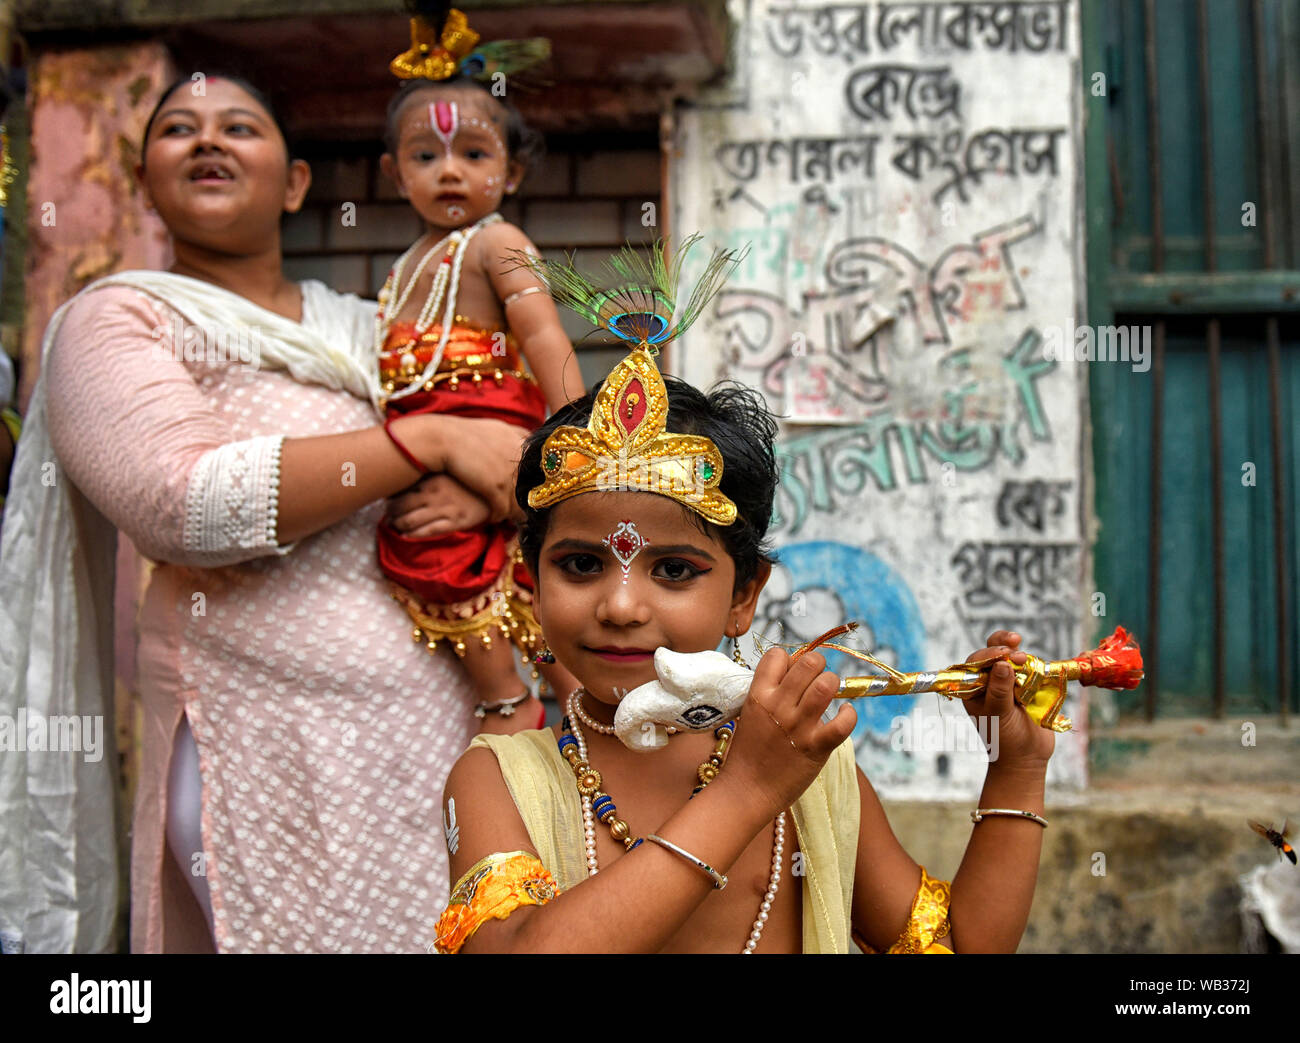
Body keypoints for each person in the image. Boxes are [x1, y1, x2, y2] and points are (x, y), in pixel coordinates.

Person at [0, 74, 537, 954]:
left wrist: (482, 483)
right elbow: (187, 501)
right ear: (143, 185)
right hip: (260, 753)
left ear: (294, 184)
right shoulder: (118, 319)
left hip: (442, 731)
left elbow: (516, 461)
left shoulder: (370, 330)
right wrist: (427, 446)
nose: (208, 141)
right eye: (179, 129)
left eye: (239, 127)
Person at [432, 240, 1056, 954]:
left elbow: (955, 947)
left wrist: (1017, 766)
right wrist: (746, 791)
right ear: (532, 580)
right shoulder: (495, 777)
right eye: (580, 564)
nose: (622, 605)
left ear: (745, 596)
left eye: (673, 571)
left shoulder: (807, 772)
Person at [374, 4, 581, 726]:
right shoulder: (402, 267)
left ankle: (514, 698)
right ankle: (551, 697)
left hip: (496, 428)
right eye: (426, 157)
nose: (450, 171)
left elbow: (548, 339)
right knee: (442, 541)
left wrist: (571, 442)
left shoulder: (498, 243)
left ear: (512, 170)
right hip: (427, 444)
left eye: (475, 154)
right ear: (394, 173)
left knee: (456, 548)